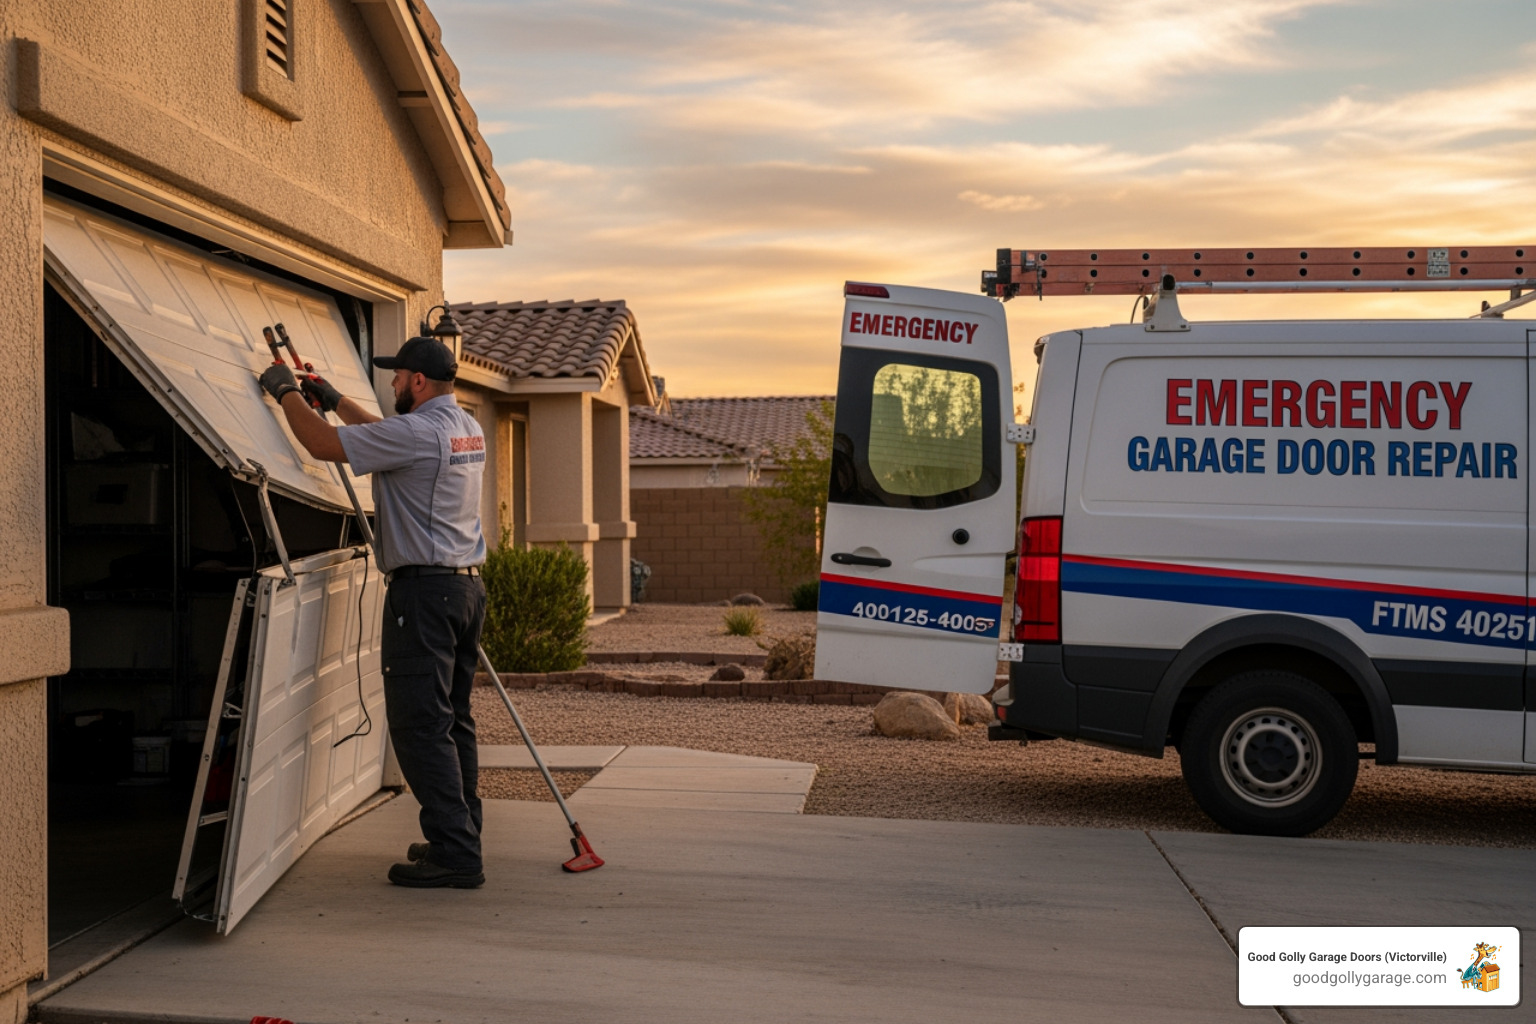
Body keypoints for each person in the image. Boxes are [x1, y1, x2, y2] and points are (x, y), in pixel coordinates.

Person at [258, 336, 489, 889]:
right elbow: (381, 435)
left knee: (420, 724)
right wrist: (333, 396)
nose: (390, 385)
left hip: (425, 598)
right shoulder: (464, 426)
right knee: (453, 719)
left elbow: (321, 445)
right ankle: (459, 834)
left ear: (417, 383)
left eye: (396, 377)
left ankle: (455, 854)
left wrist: (286, 392)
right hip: (462, 592)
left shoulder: (417, 432)